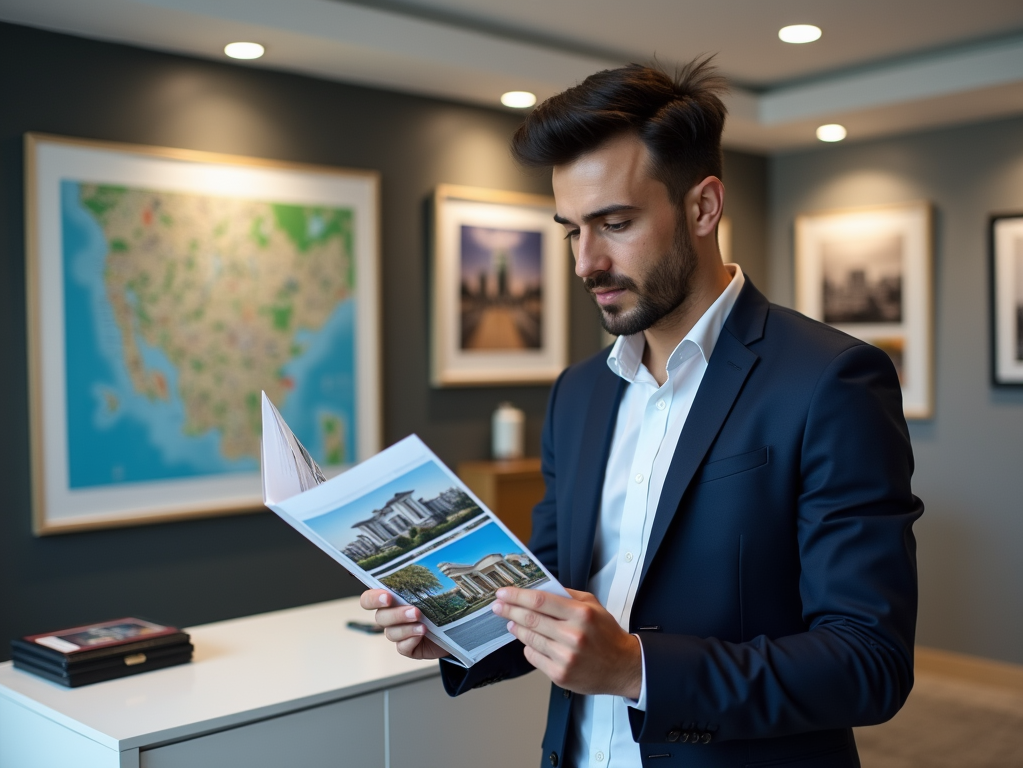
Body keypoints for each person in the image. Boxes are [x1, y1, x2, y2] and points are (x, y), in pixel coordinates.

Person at [361, 57, 923, 768]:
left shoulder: (832, 380)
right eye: (571, 230)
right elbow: (556, 590)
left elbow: (868, 662)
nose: (584, 263)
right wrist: (452, 625)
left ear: (702, 207)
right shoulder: (578, 393)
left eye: (614, 223)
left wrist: (634, 667)